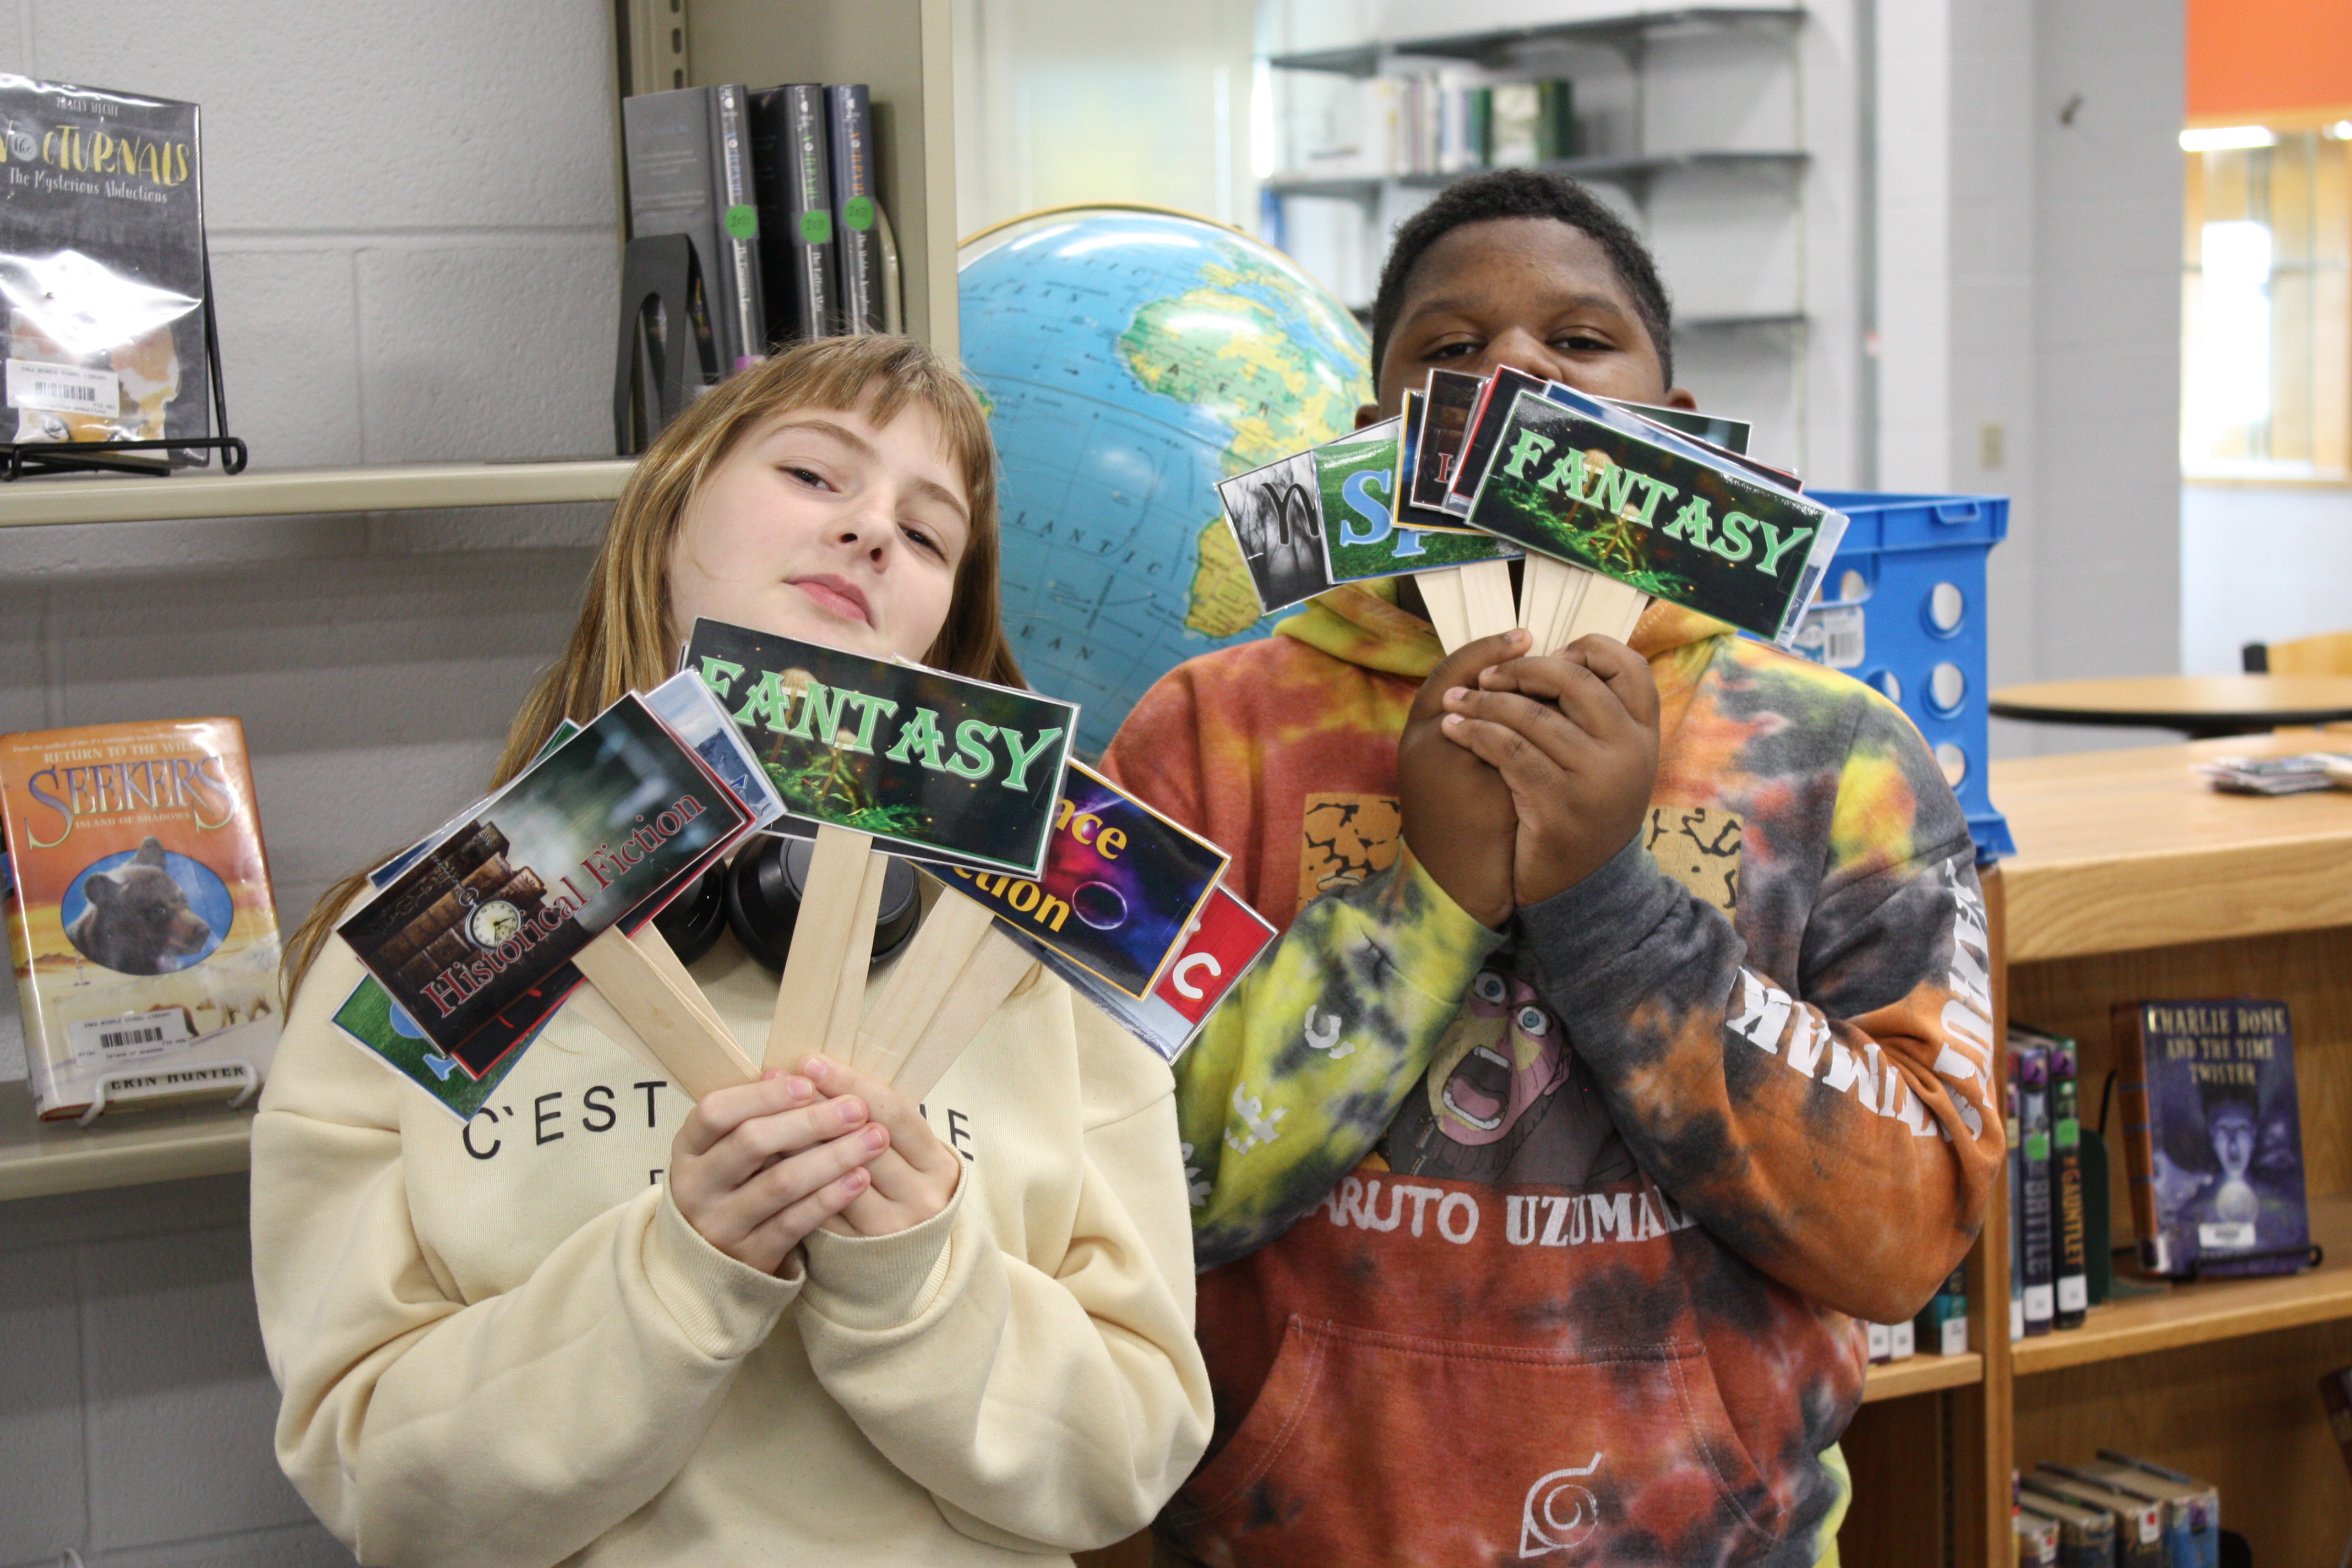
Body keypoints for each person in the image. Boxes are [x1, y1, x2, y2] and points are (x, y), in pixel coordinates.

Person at [1101, 169, 2003, 1565]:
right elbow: (1131, 1182)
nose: (1513, 367)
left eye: (1579, 341)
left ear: (1680, 436)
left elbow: (1910, 1232)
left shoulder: (1838, 755)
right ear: (1371, 440)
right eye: (1450, 351)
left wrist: (1611, 898)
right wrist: (1430, 898)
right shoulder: (1205, 733)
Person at [253, 335, 1212, 1568]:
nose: (873, 530)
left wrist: (921, 1278)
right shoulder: (414, 952)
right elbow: (379, 1482)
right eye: (816, 475)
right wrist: (673, 1275)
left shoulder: (1045, 968)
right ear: (663, 520)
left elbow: (1127, 1459)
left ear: (938, 636)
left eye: (928, 535)